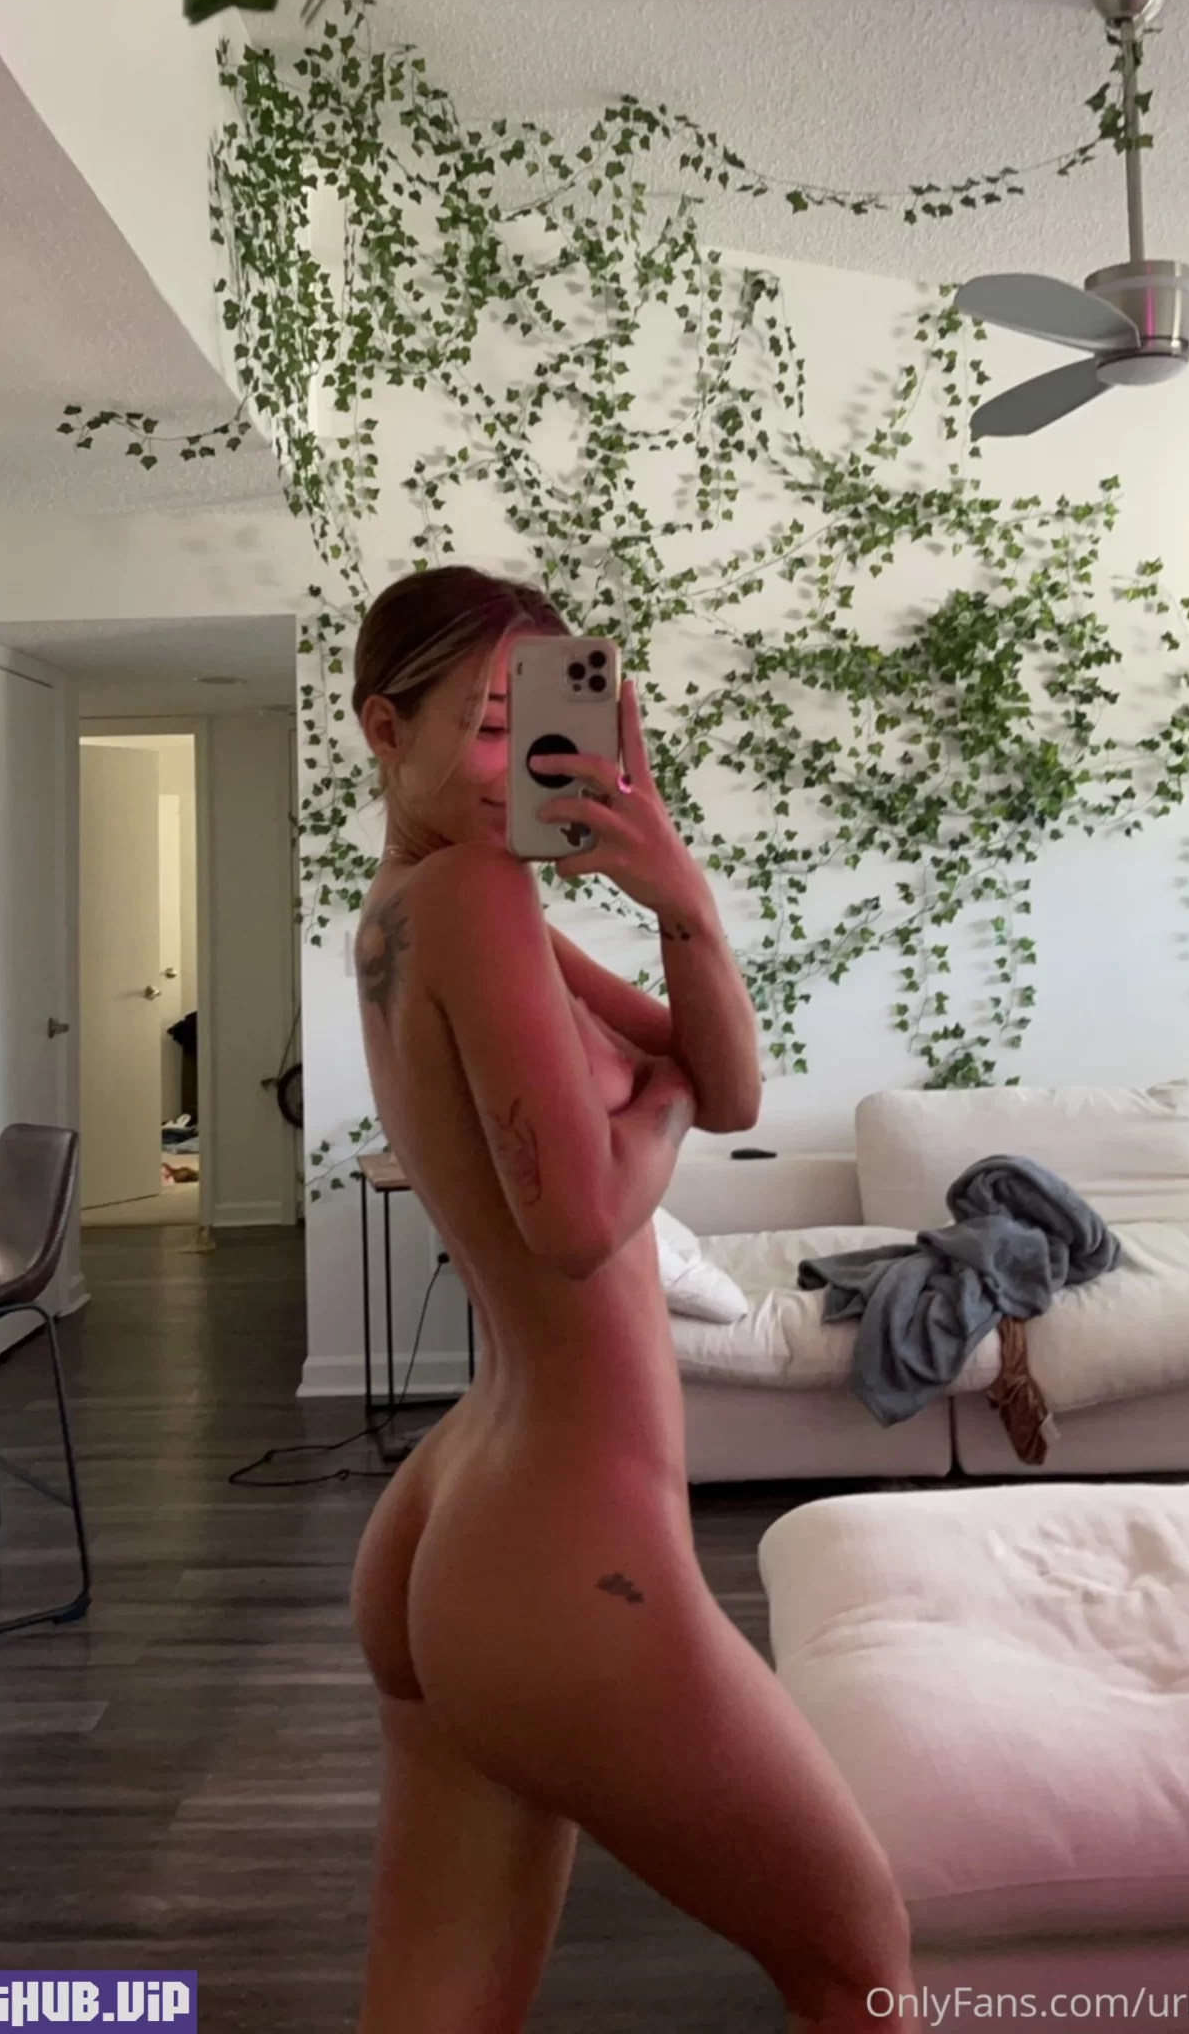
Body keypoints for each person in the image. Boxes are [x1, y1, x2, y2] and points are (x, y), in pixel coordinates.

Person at [348, 566, 913, 2034]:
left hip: (462, 1513)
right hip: (559, 1541)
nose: (521, 766)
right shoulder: (477, 895)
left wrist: (680, 903)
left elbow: (727, 1085)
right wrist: (655, 1103)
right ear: (380, 729)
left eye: (541, 727)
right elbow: (587, 1218)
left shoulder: (420, 906)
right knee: (861, 1964)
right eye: (485, 725)